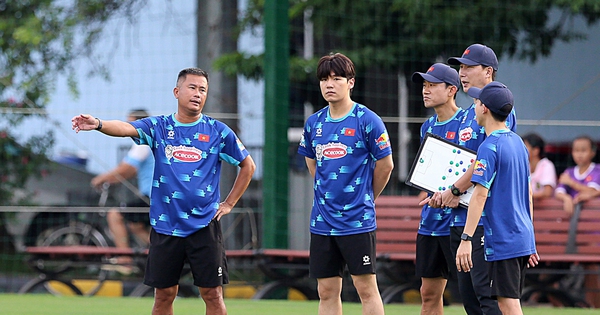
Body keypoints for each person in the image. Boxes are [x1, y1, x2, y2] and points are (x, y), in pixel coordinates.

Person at [72, 67, 256, 315]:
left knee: (212, 294)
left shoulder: (218, 132)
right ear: (177, 91)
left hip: (205, 225)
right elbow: (126, 128)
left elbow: (248, 165)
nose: (197, 94)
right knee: (164, 296)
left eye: (203, 90)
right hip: (165, 225)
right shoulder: (159, 127)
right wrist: (98, 124)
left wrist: (230, 203)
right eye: (192, 88)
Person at [298, 53, 394, 315]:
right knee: (326, 291)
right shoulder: (314, 123)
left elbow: (386, 165)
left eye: (337, 78)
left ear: (350, 82)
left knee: (366, 289)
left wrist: (366, 196)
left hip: (357, 221)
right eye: (324, 79)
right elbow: (312, 163)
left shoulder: (367, 120)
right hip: (322, 222)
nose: (329, 84)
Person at [430, 43, 519, 315]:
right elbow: (461, 163)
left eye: (469, 67)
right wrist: (439, 189)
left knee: (489, 300)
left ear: (488, 72)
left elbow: (483, 165)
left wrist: (453, 191)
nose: (462, 73)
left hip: (482, 222)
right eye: (460, 67)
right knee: (470, 301)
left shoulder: (499, 110)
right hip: (460, 219)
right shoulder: (470, 112)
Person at [455, 81, 539, 315]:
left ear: (484, 108)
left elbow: (479, 196)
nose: (473, 107)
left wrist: (466, 239)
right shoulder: (518, 144)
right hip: (520, 236)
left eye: (476, 102)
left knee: (508, 304)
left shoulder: (489, 147)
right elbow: (527, 195)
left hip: (504, 239)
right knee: (508, 302)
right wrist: (530, 238)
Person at [411, 63, 463, 315]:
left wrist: (452, 193)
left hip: (461, 223)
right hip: (431, 222)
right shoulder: (427, 127)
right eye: (424, 85)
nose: (425, 90)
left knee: (475, 293)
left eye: (432, 85)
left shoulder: (470, 121)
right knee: (428, 294)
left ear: (452, 89)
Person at [90, 109, 154, 273]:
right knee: (135, 225)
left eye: (129, 123)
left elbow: (127, 168)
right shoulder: (153, 140)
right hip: (156, 196)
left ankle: (125, 260)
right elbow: (129, 171)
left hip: (152, 196)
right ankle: (161, 254)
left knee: (115, 215)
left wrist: (102, 178)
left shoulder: (143, 141)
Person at [555, 135, 600, 215]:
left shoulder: (597, 170)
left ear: (593, 152)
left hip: (593, 216)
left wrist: (571, 183)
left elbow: (593, 191)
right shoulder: (569, 171)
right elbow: (558, 192)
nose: (579, 154)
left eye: (583, 150)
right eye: (576, 150)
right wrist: (566, 198)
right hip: (573, 219)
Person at [521, 133, 557, 200]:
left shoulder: (547, 165)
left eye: (525, 147)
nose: (521, 150)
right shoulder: (523, 166)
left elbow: (547, 192)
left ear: (535, 150)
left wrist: (525, 197)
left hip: (545, 209)